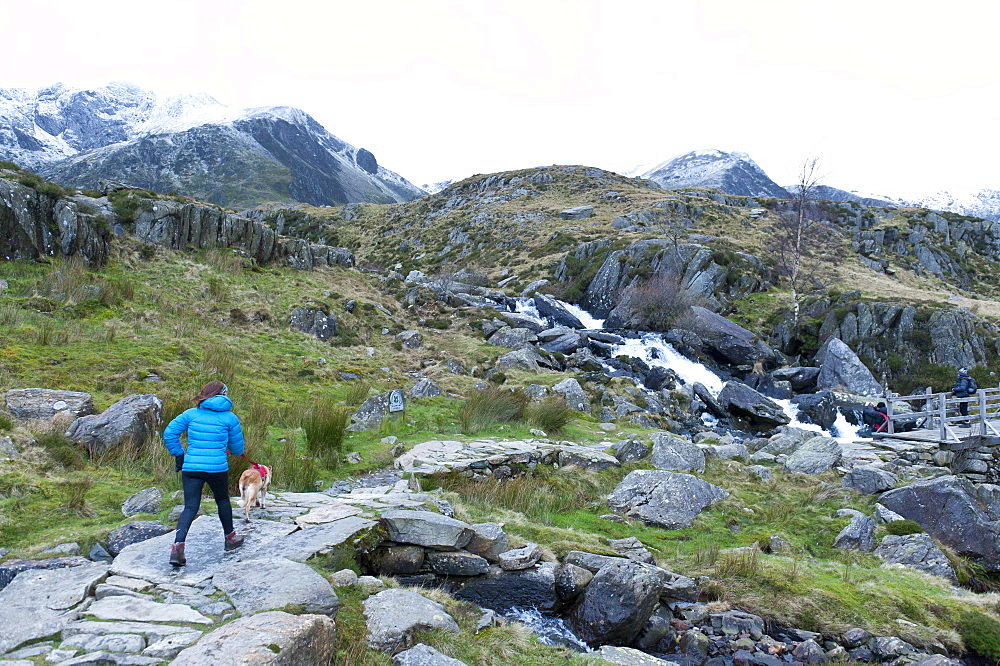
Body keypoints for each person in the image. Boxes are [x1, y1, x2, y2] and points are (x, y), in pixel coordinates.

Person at [162, 381, 245, 566]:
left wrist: (178, 454)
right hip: (217, 468)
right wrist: (229, 448)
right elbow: (238, 449)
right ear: (224, 395)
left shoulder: (190, 414)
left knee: (190, 507)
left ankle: (178, 546)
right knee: (222, 500)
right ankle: (230, 538)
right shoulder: (230, 418)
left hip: (191, 468)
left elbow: (169, 433)